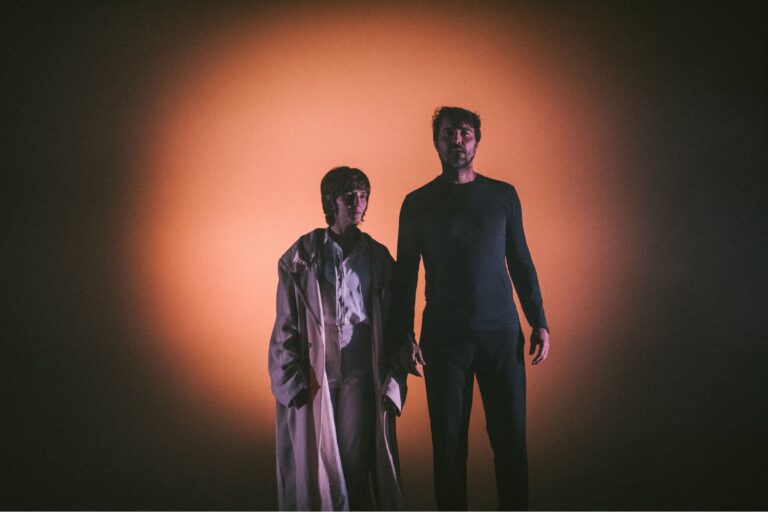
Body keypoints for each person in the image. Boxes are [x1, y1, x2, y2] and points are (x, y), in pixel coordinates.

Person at [393, 107, 551, 510]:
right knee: (448, 449)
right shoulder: (417, 203)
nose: (457, 141)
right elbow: (405, 275)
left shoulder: (503, 196)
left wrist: (539, 321)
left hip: (501, 335)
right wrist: (404, 336)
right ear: (436, 142)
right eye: (448, 134)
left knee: (511, 443)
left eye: (464, 133)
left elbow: (520, 259)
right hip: (444, 339)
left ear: (477, 140)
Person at [268, 166, 409, 511]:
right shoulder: (303, 255)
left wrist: (397, 371)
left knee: (354, 463)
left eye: (363, 196)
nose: (358, 203)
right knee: (317, 464)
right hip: (316, 372)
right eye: (349, 196)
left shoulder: (377, 258)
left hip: (360, 370)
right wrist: (290, 380)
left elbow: (396, 322)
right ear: (331, 201)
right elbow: (286, 323)